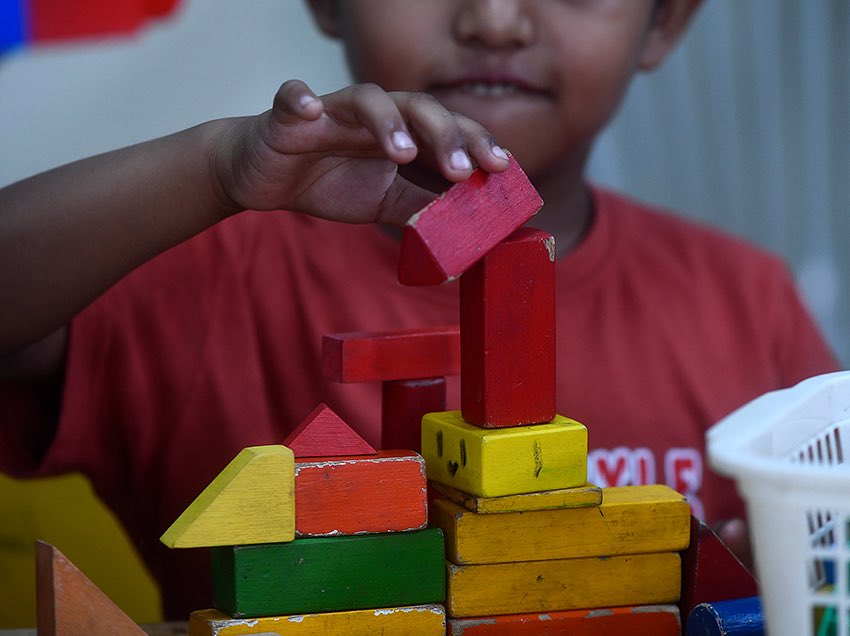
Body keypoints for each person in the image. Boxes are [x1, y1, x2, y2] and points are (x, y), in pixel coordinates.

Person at [0, 0, 838, 619]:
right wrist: (217, 170)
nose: (497, 20)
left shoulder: (749, 303)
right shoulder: (206, 275)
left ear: (664, 23)